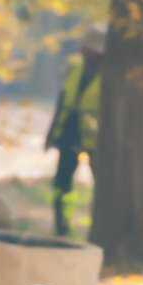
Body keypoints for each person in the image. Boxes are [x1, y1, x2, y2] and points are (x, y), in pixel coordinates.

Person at [44, 34, 104, 239]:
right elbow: (62, 101)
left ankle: (98, 228)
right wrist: (51, 134)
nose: (86, 53)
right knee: (62, 183)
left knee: (102, 187)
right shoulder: (75, 69)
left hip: (96, 141)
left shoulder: (109, 76)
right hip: (69, 133)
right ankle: (62, 225)